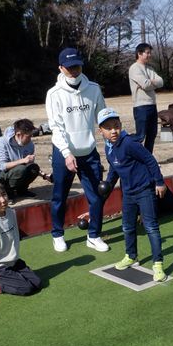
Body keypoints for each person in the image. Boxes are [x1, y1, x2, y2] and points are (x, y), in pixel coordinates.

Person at [45, 47, 108, 253]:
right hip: (64, 153)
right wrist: (66, 153)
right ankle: (57, 234)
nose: (74, 71)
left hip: (88, 151)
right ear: (61, 68)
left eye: (77, 66)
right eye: (70, 67)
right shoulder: (53, 94)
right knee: (59, 196)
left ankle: (94, 235)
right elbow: (56, 127)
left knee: (97, 196)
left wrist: (113, 140)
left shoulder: (94, 89)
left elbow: (103, 118)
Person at [98, 108, 167, 282]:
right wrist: (106, 188)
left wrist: (159, 182)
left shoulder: (129, 143)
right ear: (101, 131)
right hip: (127, 193)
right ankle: (131, 256)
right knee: (127, 227)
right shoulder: (109, 149)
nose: (113, 130)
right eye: (108, 128)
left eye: (116, 126)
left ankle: (157, 264)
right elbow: (114, 169)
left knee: (151, 227)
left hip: (144, 190)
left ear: (120, 125)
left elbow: (149, 160)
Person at [0, 180, 42, 296]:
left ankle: (11, 277)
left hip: (14, 262)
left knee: (37, 283)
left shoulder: (11, 212)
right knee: (26, 289)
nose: (3, 199)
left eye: (4, 194)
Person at [128, 43, 164, 153]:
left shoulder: (150, 68)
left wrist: (150, 82)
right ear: (139, 53)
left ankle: (148, 158)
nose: (149, 55)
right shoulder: (134, 68)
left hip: (152, 105)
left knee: (152, 134)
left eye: (150, 53)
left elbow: (161, 82)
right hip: (141, 106)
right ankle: (128, 152)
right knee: (140, 136)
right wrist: (151, 83)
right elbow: (146, 85)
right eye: (147, 53)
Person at [0, 119, 40, 199]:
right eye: (28, 136)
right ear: (18, 134)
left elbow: (29, 165)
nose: (30, 139)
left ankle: (21, 190)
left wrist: (44, 175)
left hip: (19, 171)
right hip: (2, 177)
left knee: (34, 168)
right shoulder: (2, 142)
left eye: (31, 136)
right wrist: (23, 160)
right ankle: (7, 191)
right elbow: (2, 166)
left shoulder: (30, 144)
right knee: (21, 168)